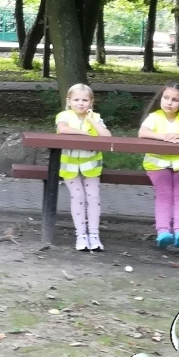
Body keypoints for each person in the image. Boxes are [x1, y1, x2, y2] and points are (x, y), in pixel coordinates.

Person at [138, 81, 179, 251]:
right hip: (157, 164)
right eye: (166, 98)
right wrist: (163, 137)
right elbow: (143, 132)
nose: (169, 102)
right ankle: (163, 232)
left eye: (175, 99)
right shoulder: (154, 117)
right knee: (164, 194)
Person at [56, 83, 110, 253]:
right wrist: (84, 133)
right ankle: (81, 235)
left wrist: (91, 120)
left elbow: (106, 136)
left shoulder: (96, 118)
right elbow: (62, 129)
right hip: (70, 166)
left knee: (93, 197)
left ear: (91, 102)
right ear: (69, 101)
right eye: (76, 100)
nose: (80, 103)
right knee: (78, 196)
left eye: (85, 100)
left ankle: (94, 235)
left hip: (91, 165)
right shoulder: (64, 116)